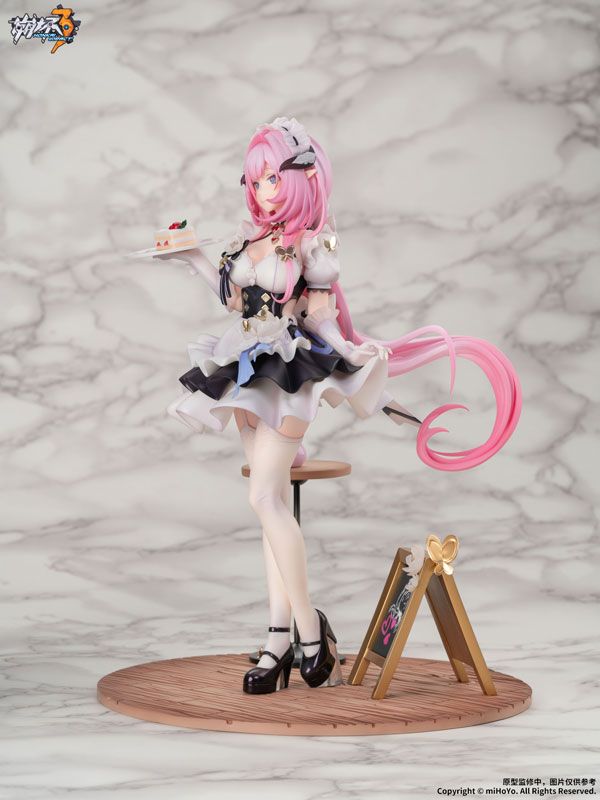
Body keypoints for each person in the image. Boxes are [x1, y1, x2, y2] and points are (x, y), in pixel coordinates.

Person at [157, 116, 522, 695]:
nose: (263, 190)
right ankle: (279, 639)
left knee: (263, 497)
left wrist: (353, 353)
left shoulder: (311, 244)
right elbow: (233, 301)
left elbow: (320, 316)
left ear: (303, 178)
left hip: (289, 371)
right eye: (254, 180)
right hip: (243, 366)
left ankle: (309, 631)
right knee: (270, 502)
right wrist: (194, 257)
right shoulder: (249, 242)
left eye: (273, 178)